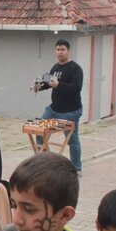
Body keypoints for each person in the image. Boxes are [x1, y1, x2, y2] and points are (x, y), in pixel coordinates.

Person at [35, 38, 84, 172]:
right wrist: (38, 86)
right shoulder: (55, 67)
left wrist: (59, 85)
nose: (60, 52)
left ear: (68, 51)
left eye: (63, 50)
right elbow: (47, 82)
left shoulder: (75, 69)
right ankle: (41, 161)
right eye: (58, 49)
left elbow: (76, 88)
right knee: (39, 130)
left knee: (72, 140)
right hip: (53, 108)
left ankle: (76, 168)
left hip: (71, 111)